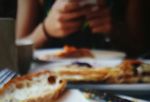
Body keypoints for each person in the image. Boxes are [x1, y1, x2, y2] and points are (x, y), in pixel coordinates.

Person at [16, 0, 150, 57]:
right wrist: (45, 30)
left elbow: (141, 49)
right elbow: (15, 53)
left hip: (116, 80)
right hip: (47, 77)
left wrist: (114, 30)